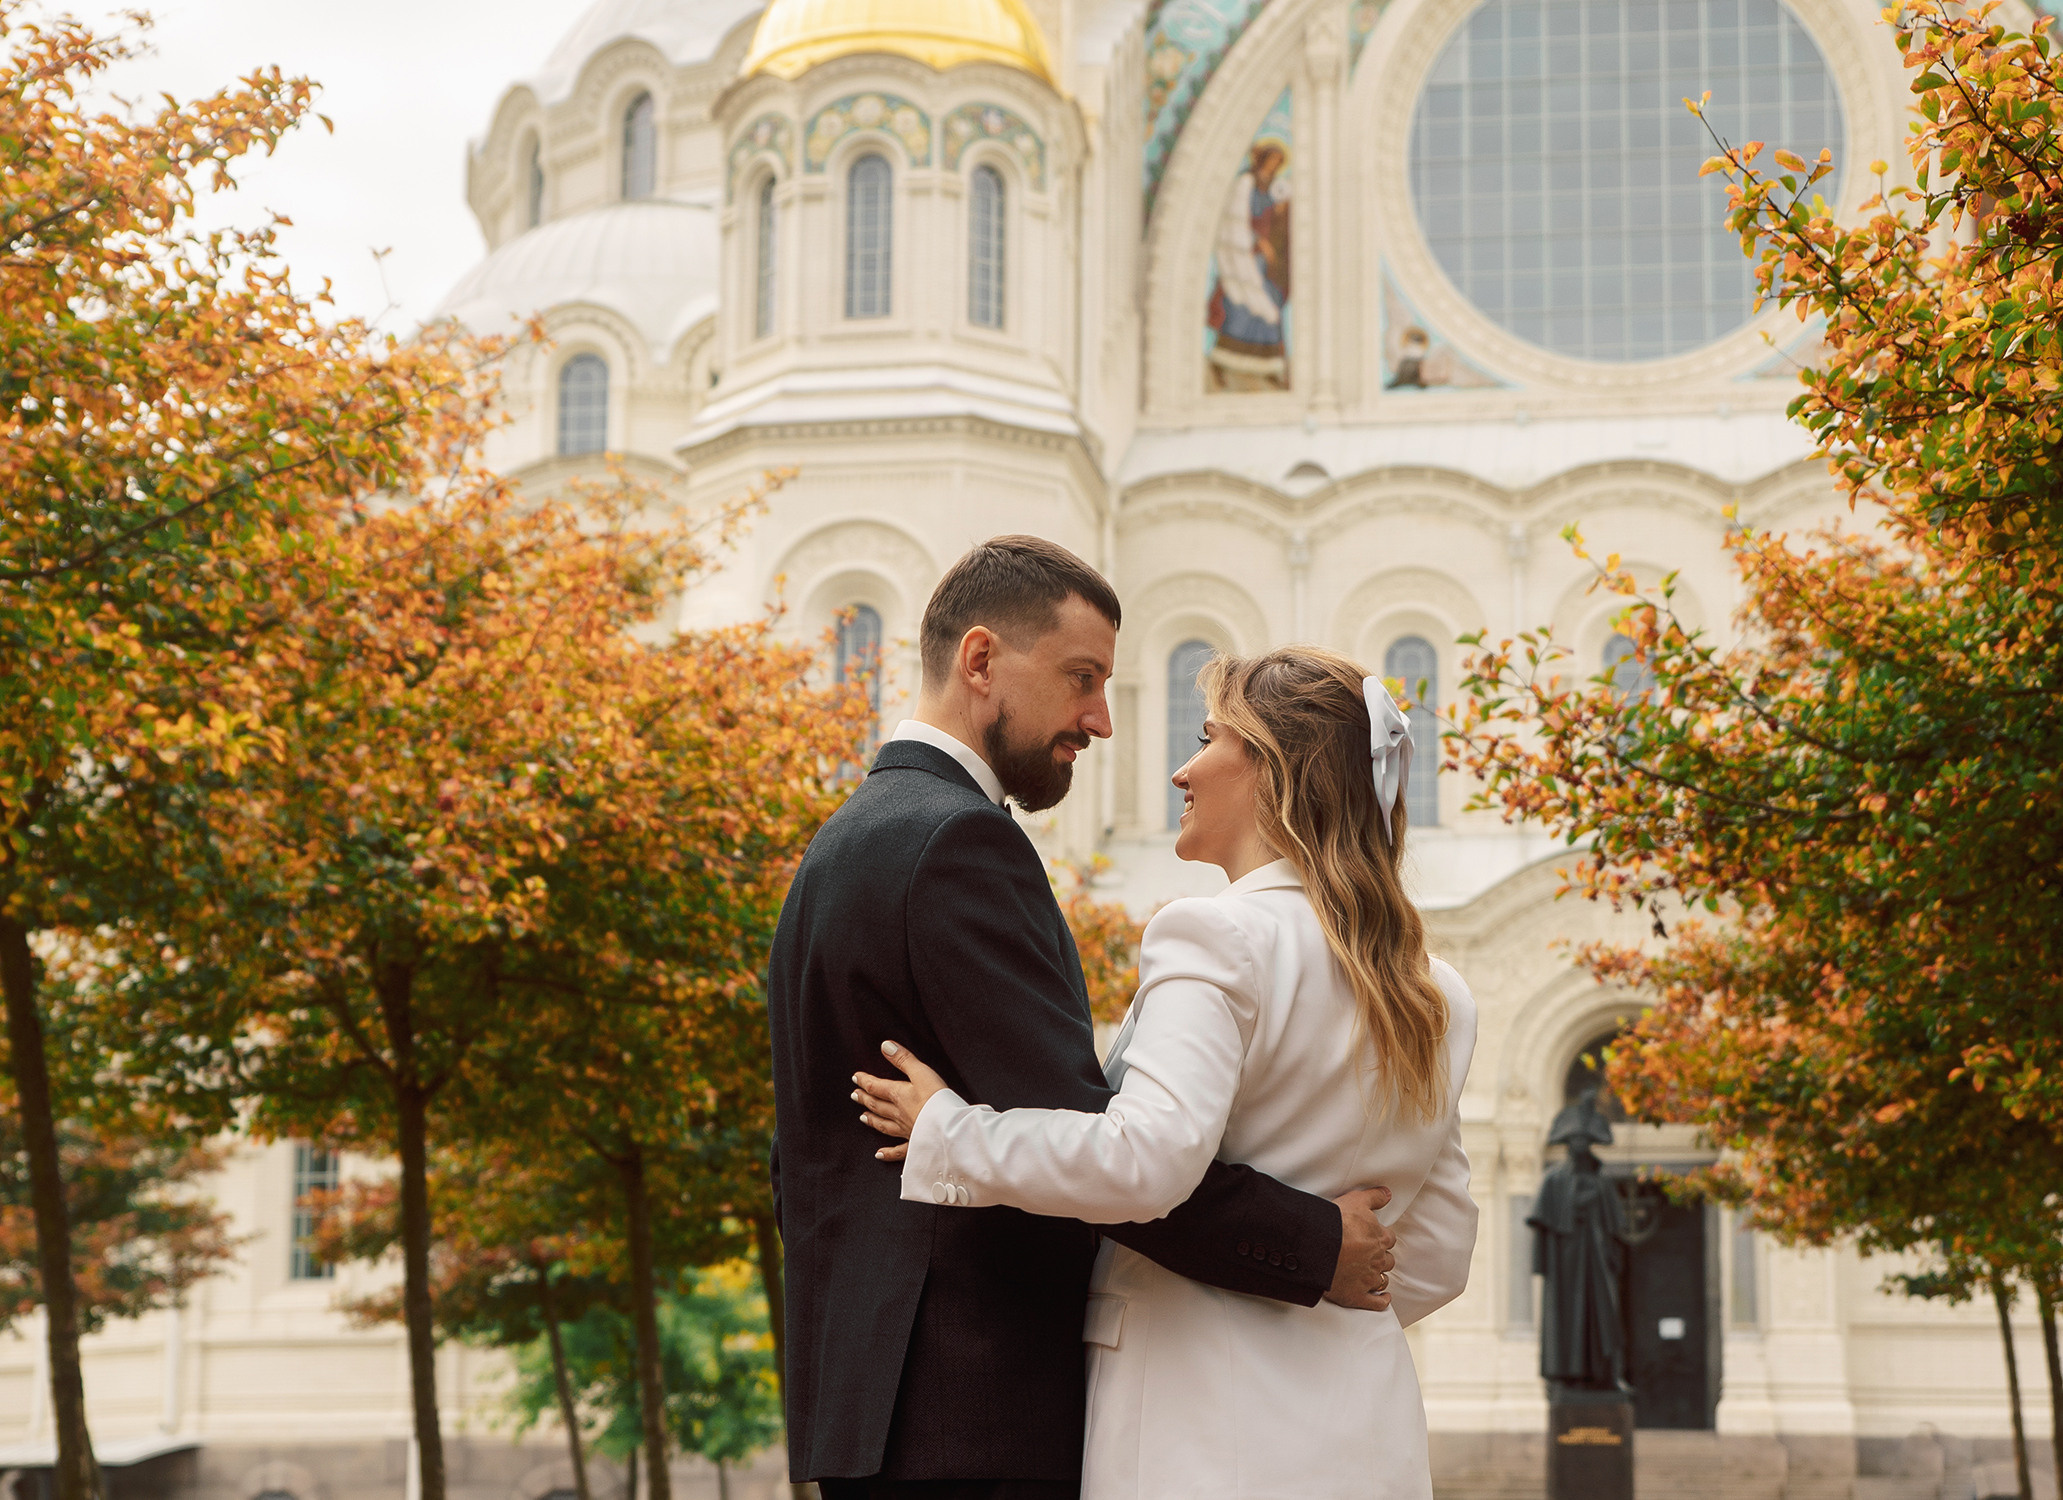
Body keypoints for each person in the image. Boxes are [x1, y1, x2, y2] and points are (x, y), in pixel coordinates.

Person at [764, 539, 1404, 1500]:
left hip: (876, 1399)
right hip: (972, 1406)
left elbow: (802, 1161)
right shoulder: (957, 843)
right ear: (981, 661)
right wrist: (1316, 1245)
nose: (1101, 719)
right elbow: (1103, 1147)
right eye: (1081, 678)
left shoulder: (848, 839)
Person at [855, 645, 1480, 1500]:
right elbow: (1439, 1252)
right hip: (1367, 1426)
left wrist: (951, 1134)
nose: (1183, 770)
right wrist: (1314, 1326)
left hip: (1196, 1422)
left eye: (1207, 738)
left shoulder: (1215, 935)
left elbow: (1144, 1162)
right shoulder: (1438, 992)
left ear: (1274, 768)